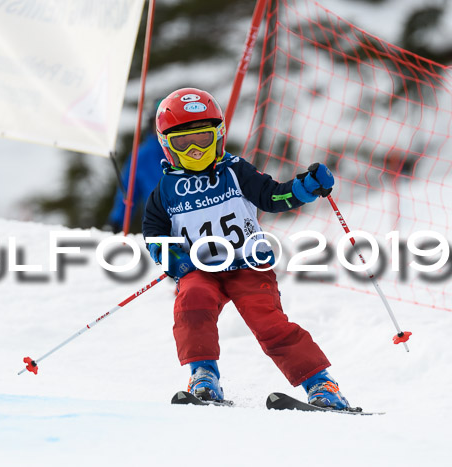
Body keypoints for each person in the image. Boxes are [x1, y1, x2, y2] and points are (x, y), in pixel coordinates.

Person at [142, 87, 350, 409]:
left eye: (203, 139)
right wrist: (171, 257)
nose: (195, 150)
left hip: (248, 267)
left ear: (220, 136)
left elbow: (273, 196)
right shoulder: (166, 189)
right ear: (167, 145)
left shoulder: (236, 171)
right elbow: (153, 231)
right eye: (184, 143)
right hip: (201, 270)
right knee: (192, 302)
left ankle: (322, 385)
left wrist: (305, 189)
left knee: (269, 323)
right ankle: (204, 376)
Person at [107, 105, 167, 232]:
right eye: (160, 122)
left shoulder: (192, 149)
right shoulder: (142, 155)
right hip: (158, 227)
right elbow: (128, 191)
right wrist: (117, 221)